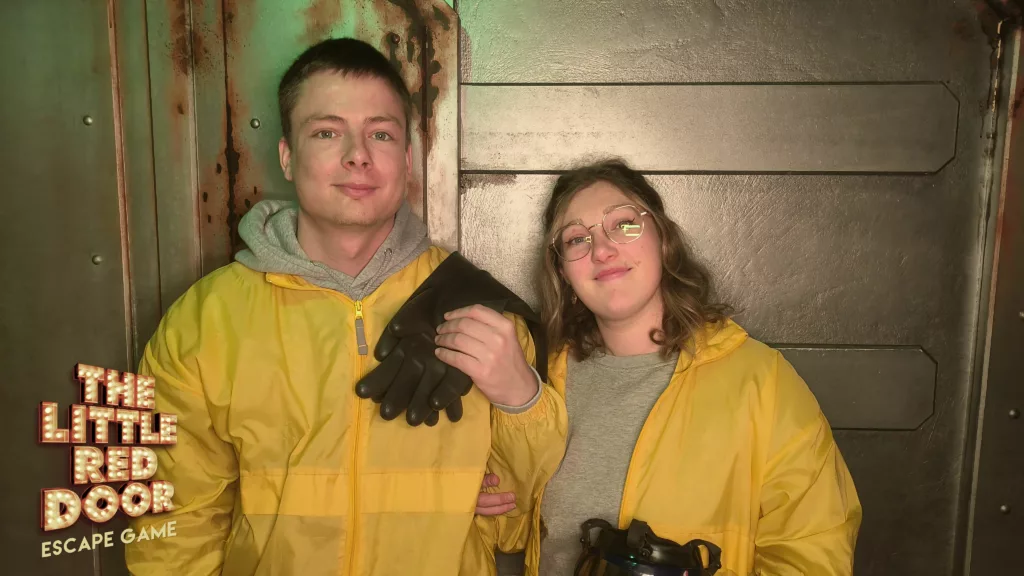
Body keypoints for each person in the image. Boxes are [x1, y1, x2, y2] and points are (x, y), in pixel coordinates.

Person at [125, 38, 566, 575]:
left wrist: (522, 399)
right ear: (287, 157)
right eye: (327, 132)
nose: (358, 154)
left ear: (407, 160)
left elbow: (515, 521)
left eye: (381, 133)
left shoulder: (479, 311)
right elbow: (174, 521)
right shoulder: (204, 322)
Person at [467, 159, 862, 576]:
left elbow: (815, 553)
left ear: (663, 240)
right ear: (563, 273)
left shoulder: (763, 383)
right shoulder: (540, 380)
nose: (601, 250)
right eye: (577, 238)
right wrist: (469, 494)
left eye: (623, 224)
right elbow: (504, 532)